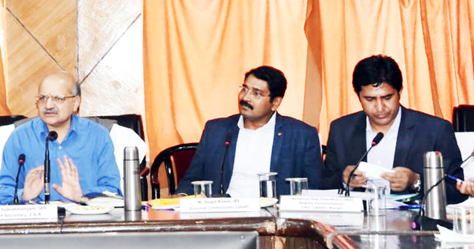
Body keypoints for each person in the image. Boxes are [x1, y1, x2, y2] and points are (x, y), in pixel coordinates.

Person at [321, 55, 466, 204]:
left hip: (414, 225)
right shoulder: (341, 130)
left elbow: (458, 190)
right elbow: (322, 185)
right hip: (356, 224)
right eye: (370, 99)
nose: (379, 107)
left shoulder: (435, 130)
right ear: (359, 96)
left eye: (387, 97)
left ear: (399, 92)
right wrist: (344, 181)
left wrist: (416, 182)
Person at [176, 66, 321, 197]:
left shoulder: (302, 135)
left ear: (275, 103)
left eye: (256, 93)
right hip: (223, 215)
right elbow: (193, 177)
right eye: (244, 89)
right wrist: (180, 196)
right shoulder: (216, 130)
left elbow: (315, 188)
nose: (245, 97)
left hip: (275, 218)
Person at [0, 71, 121, 204]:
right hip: (36, 222)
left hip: (86, 219)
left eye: (58, 98)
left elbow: (113, 192)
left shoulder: (98, 136)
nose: (48, 105)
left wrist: (83, 197)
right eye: (42, 98)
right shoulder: (20, 137)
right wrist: (23, 194)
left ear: (76, 102)